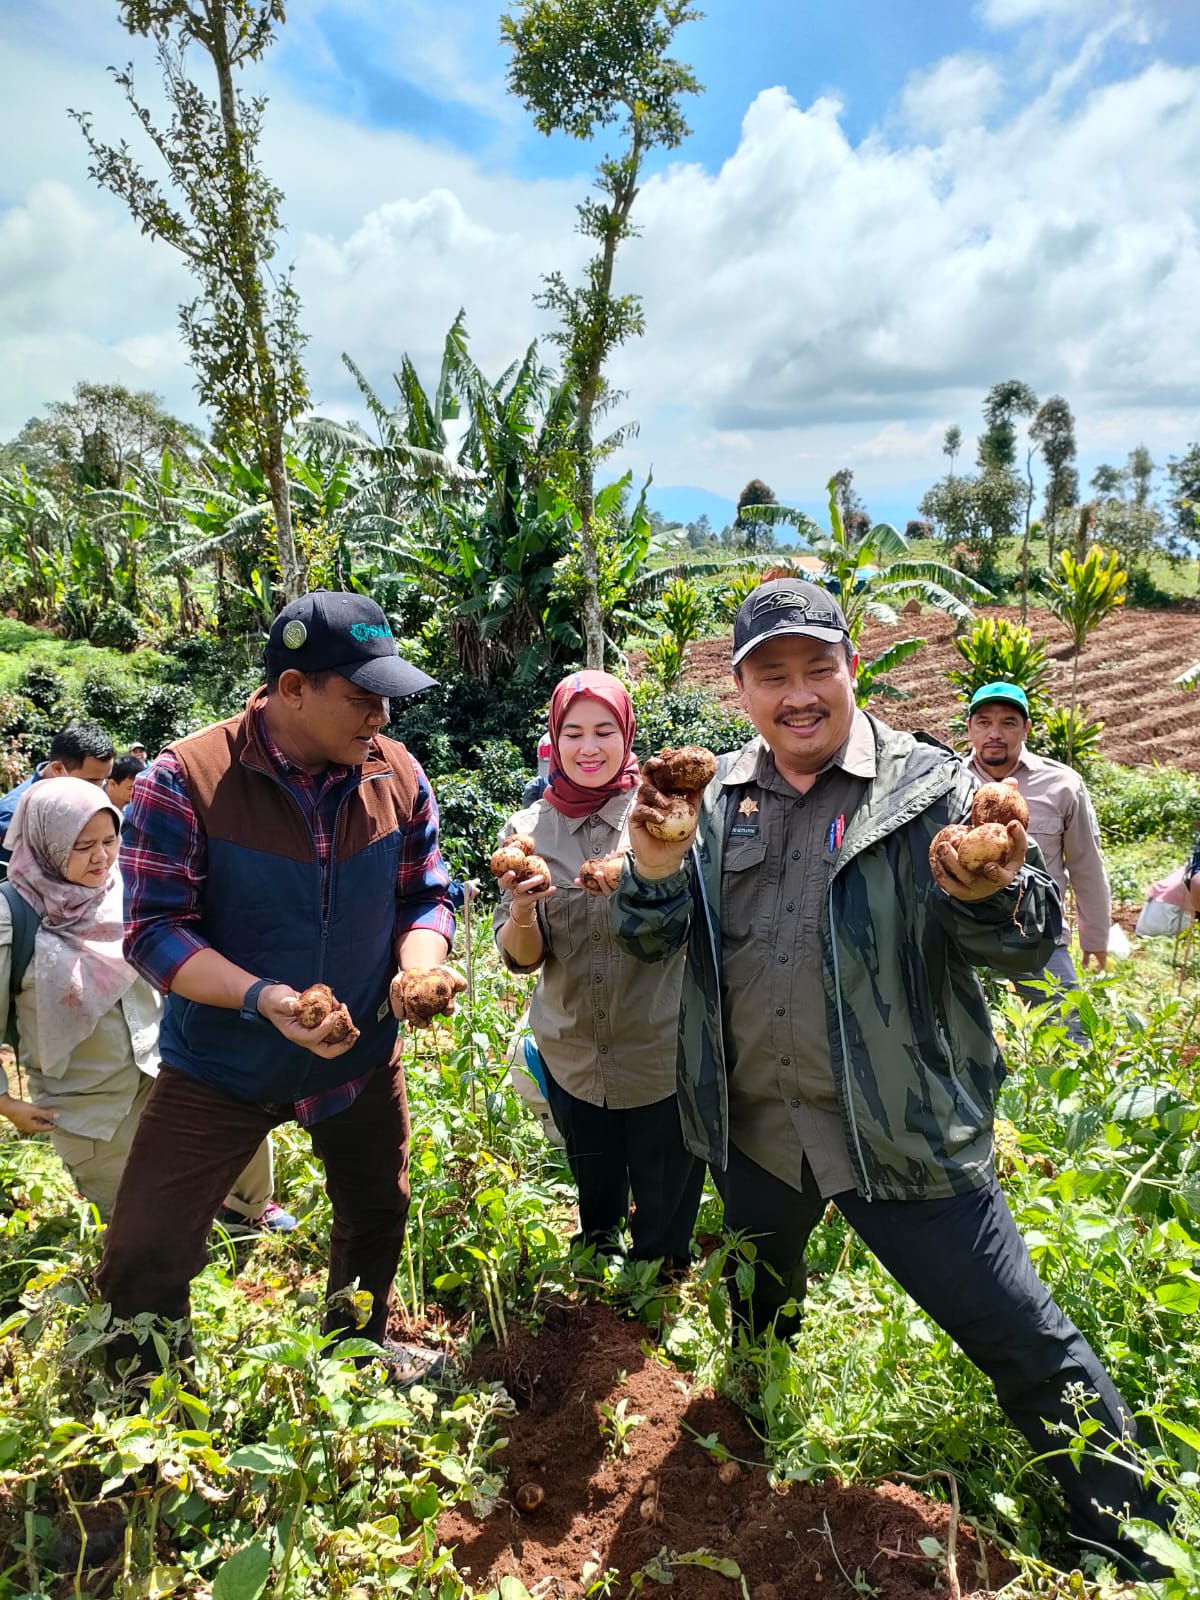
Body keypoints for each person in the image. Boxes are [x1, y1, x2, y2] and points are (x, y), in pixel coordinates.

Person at [612, 578, 1169, 1577]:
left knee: (1023, 1339)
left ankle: (1138, 1549)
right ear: (739, 687)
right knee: (760, 1312)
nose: (797, 694)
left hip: (901, 1133)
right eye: (770, 674)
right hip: (758, 1137)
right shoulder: (713, 800)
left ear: (850, 671)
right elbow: (650, 941)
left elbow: (1030, 937)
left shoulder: (929, 790)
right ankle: (750, 1462)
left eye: (816, 668)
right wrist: (654, 865)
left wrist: (988, 894)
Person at [95, 591, 458, 1381]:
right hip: (223, 1062)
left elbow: (424, 892)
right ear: (292, 688)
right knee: (144, 1250)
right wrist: (267, 999)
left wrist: (420, 966)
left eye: (386, 700)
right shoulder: (184, 780)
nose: (382, 721)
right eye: (363, 698)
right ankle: (145, 1404)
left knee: (376, 1213)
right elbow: (155, 931)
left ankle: (352, 1355)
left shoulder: (395, 776)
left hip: (354, 1055)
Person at [494, 670, 702, 1272]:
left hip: (662, 1054)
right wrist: (524, 908)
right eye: (574, 732)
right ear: (554, 741)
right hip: (572, 1053)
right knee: (597, 1195)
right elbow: (522, 958)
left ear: (627, 733)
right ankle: (600, 1274)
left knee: (665, 1214)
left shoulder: (665, 820)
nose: (590, 747)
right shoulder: (528, 831)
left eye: (605, 730)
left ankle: (660, 1289)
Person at [0, 777, 273, 1225]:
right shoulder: (14, 915)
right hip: (90, 1103)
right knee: (138, 1221)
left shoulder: (130, 889)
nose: (101, 856)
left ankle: (244, 1216)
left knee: (233, 1136)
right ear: (45, 843)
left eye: (109, 840)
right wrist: (7, 1103)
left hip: (166, 1064)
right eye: (81, 845)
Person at [966, 682, 1111, 1032]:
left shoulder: (1062, 785)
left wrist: (1095, 937)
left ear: (1027, 728)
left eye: (1008, 722)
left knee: (1074, 1038)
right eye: (983, 722)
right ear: (969, 728)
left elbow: (1085, 865)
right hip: (965, 938)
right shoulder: (948, 781)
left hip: (1039, 938)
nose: (994, 733)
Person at [0, 723, 115, 862]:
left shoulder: (73, 797)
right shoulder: (13, 815)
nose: (98, 790)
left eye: (104, 780)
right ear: (58, 769)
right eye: (91, 781)